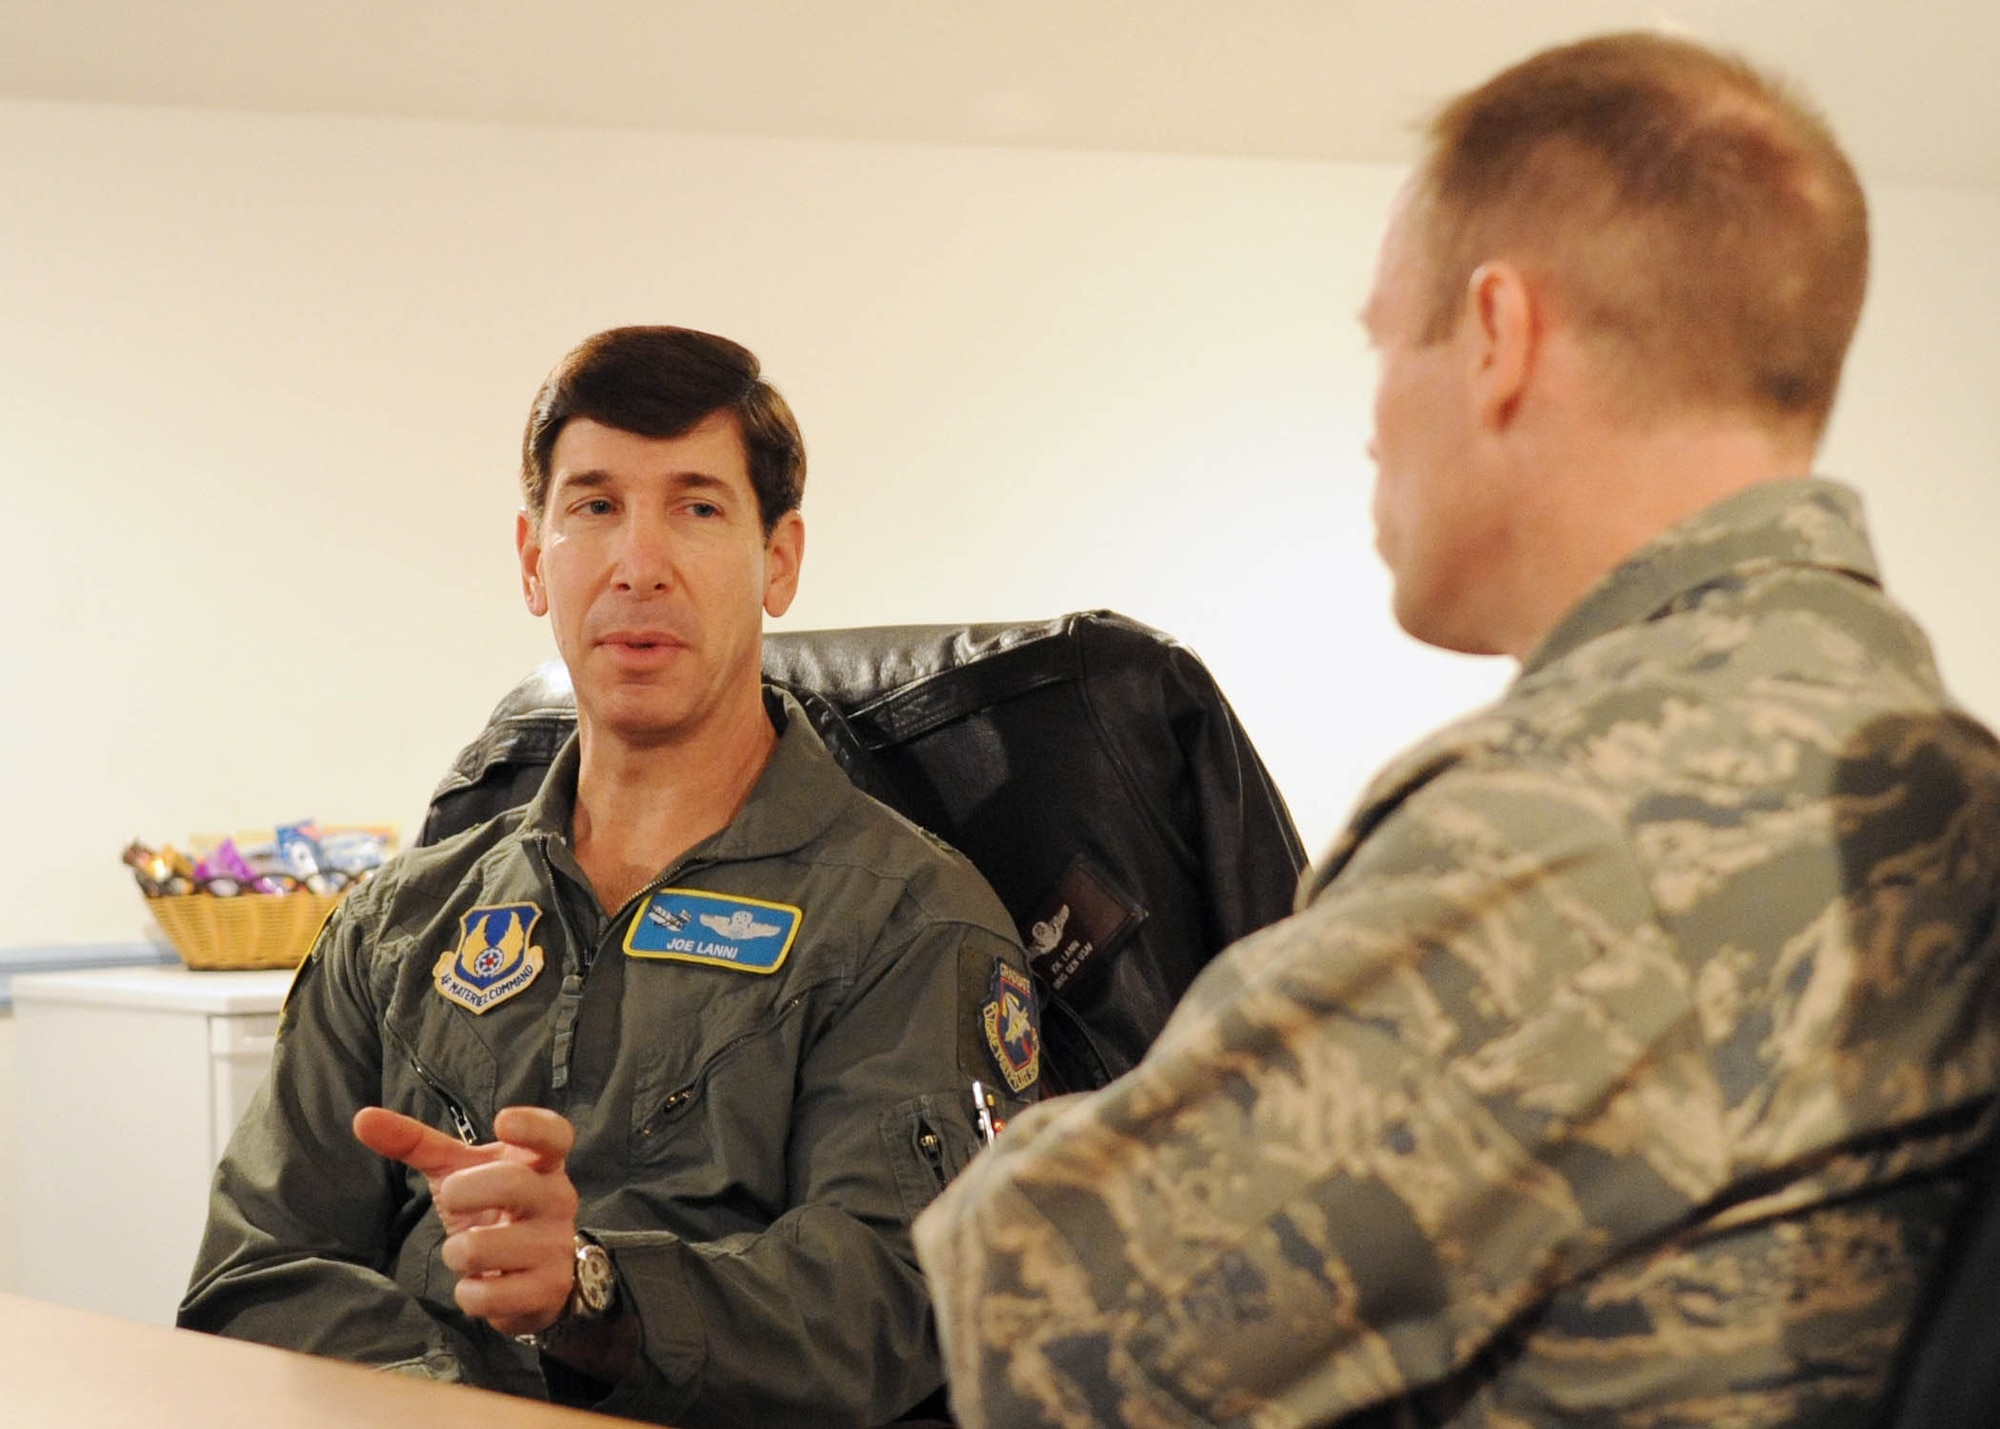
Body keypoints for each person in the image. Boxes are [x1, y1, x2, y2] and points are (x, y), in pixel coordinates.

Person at [912, 31, 2000, 1429]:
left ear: (1497, 336)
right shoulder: (1914, 752)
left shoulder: (1582, 824)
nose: (1373, 426)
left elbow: (1047, 1327)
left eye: (1385, 340)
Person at [179, 326, 1040, 1429]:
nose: (639, 564)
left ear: (778, 560)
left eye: (697, 507)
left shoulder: (907, 921)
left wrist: (592, 1292)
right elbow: (252, 1276)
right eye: (593, 505)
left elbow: (896, 1299)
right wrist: (455, 1405)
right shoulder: (397, 925)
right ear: (532, 559)